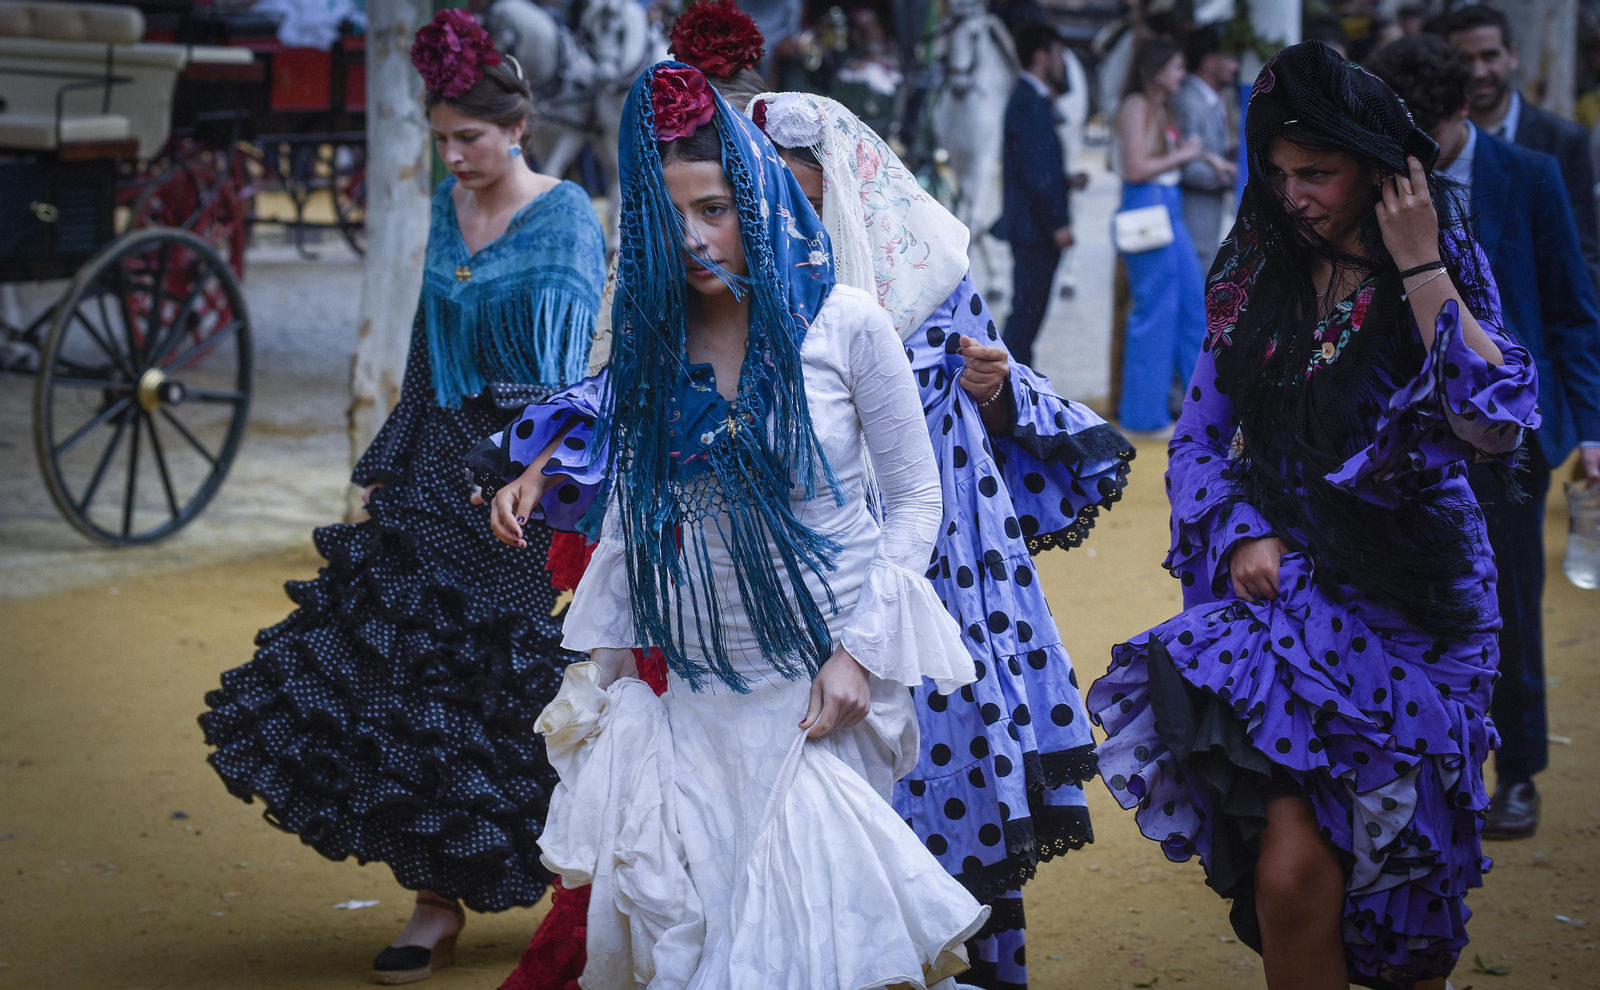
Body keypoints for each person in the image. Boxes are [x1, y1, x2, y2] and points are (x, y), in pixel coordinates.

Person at [479, 87, 1135, 990]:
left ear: (760, 204)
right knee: (701, 939)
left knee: (811, 947)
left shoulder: (848, 324)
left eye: (714, 209)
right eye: (671, 214)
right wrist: (615, 677)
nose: (694, 236)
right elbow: (638, 505)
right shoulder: (650, 338)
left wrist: (858, 654)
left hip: (821, 690)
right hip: (691, 695)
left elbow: (912, 501)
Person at [1089, 41, 1539, 990]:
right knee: (1293, 877)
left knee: (1400, 893)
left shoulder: (1440, 270)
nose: (1293, 194)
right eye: (1279, 172)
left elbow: (1493, 426)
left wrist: (1420, 266)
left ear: (1384, 174)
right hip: (1290, 605)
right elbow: (1200, 441)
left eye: (1319, 174)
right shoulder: (1256, 277)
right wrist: (1244, 526)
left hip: (1423, 617)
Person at [196, 10, 607, 985]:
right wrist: (387, 460)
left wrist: (533, 474)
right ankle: (433, 903)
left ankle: (571, 877)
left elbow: (573, 376)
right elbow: (427, 347)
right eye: (441, 141)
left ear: (517, 127)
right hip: (435, 460)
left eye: (469, 138)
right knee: (389, 679)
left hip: (522, 478)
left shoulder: (565, 215)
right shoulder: (441, 206)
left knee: (501, 693)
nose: (454, 157)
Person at [750, 90, 1133, 989]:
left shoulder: (925, 273)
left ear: (845, 188)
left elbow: (1005, 390)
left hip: (939, 578)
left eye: (804, 197)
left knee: (946, 776)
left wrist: (997, 392)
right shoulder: (734, 288)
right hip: (789, 586)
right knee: (811, 804)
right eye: (764, 196)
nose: (788, 220)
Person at [1368, 35, 1600, 841]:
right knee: (1398, 602)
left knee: (1509, 605)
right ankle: (1414, 772)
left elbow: (1571, 306)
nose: (1413, 154)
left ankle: (1521, 774)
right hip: (1399, 433)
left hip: (1514, 433)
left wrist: (1593, 426)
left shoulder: (1530, 175)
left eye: (1426, 133)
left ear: (1461, 112)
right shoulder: (1374, 177)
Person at [1437, 4, 1600, 283]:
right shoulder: (1439, 140)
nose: (1478, 72)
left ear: (1512, 56)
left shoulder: (1562, 140)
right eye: (1465, 60)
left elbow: (1583, 251)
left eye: (1489, 56)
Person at [1111, 37, 1212, 435]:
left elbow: (1161, 161)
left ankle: (1202, 410)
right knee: (1155, 312)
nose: (1181, 74)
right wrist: (1186, 155)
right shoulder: (1136, 104)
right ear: (1156, 71)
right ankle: (1143, 416)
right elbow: (1136, 167)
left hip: (1166, 206)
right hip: (1145, 206)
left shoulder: (1160, 106)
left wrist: (1205, 158)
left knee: (1192, 306)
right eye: (1176, 67)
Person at [993, 22, 1073, 367]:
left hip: (1032, 226)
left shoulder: (1029, 99)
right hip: (1035, 230)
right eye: (1058, 54)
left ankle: (1013, 381)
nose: (1063, 63)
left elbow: (1037, 167)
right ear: (1041, 57)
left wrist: (1066, 180)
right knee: (1026, 314)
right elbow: (1037, 173)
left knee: (1028, 311)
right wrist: (1058, 222)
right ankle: (1008, 383)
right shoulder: (1029, 102)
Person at [1171, 26, 1240, 272]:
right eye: (1231, 59)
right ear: (1209, 62)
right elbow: (1188, 166)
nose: (1235, 67)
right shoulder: (1189, 100)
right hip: (1194, 214)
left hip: (1207, 216)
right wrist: (1237, 176)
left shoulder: (1214, 98)